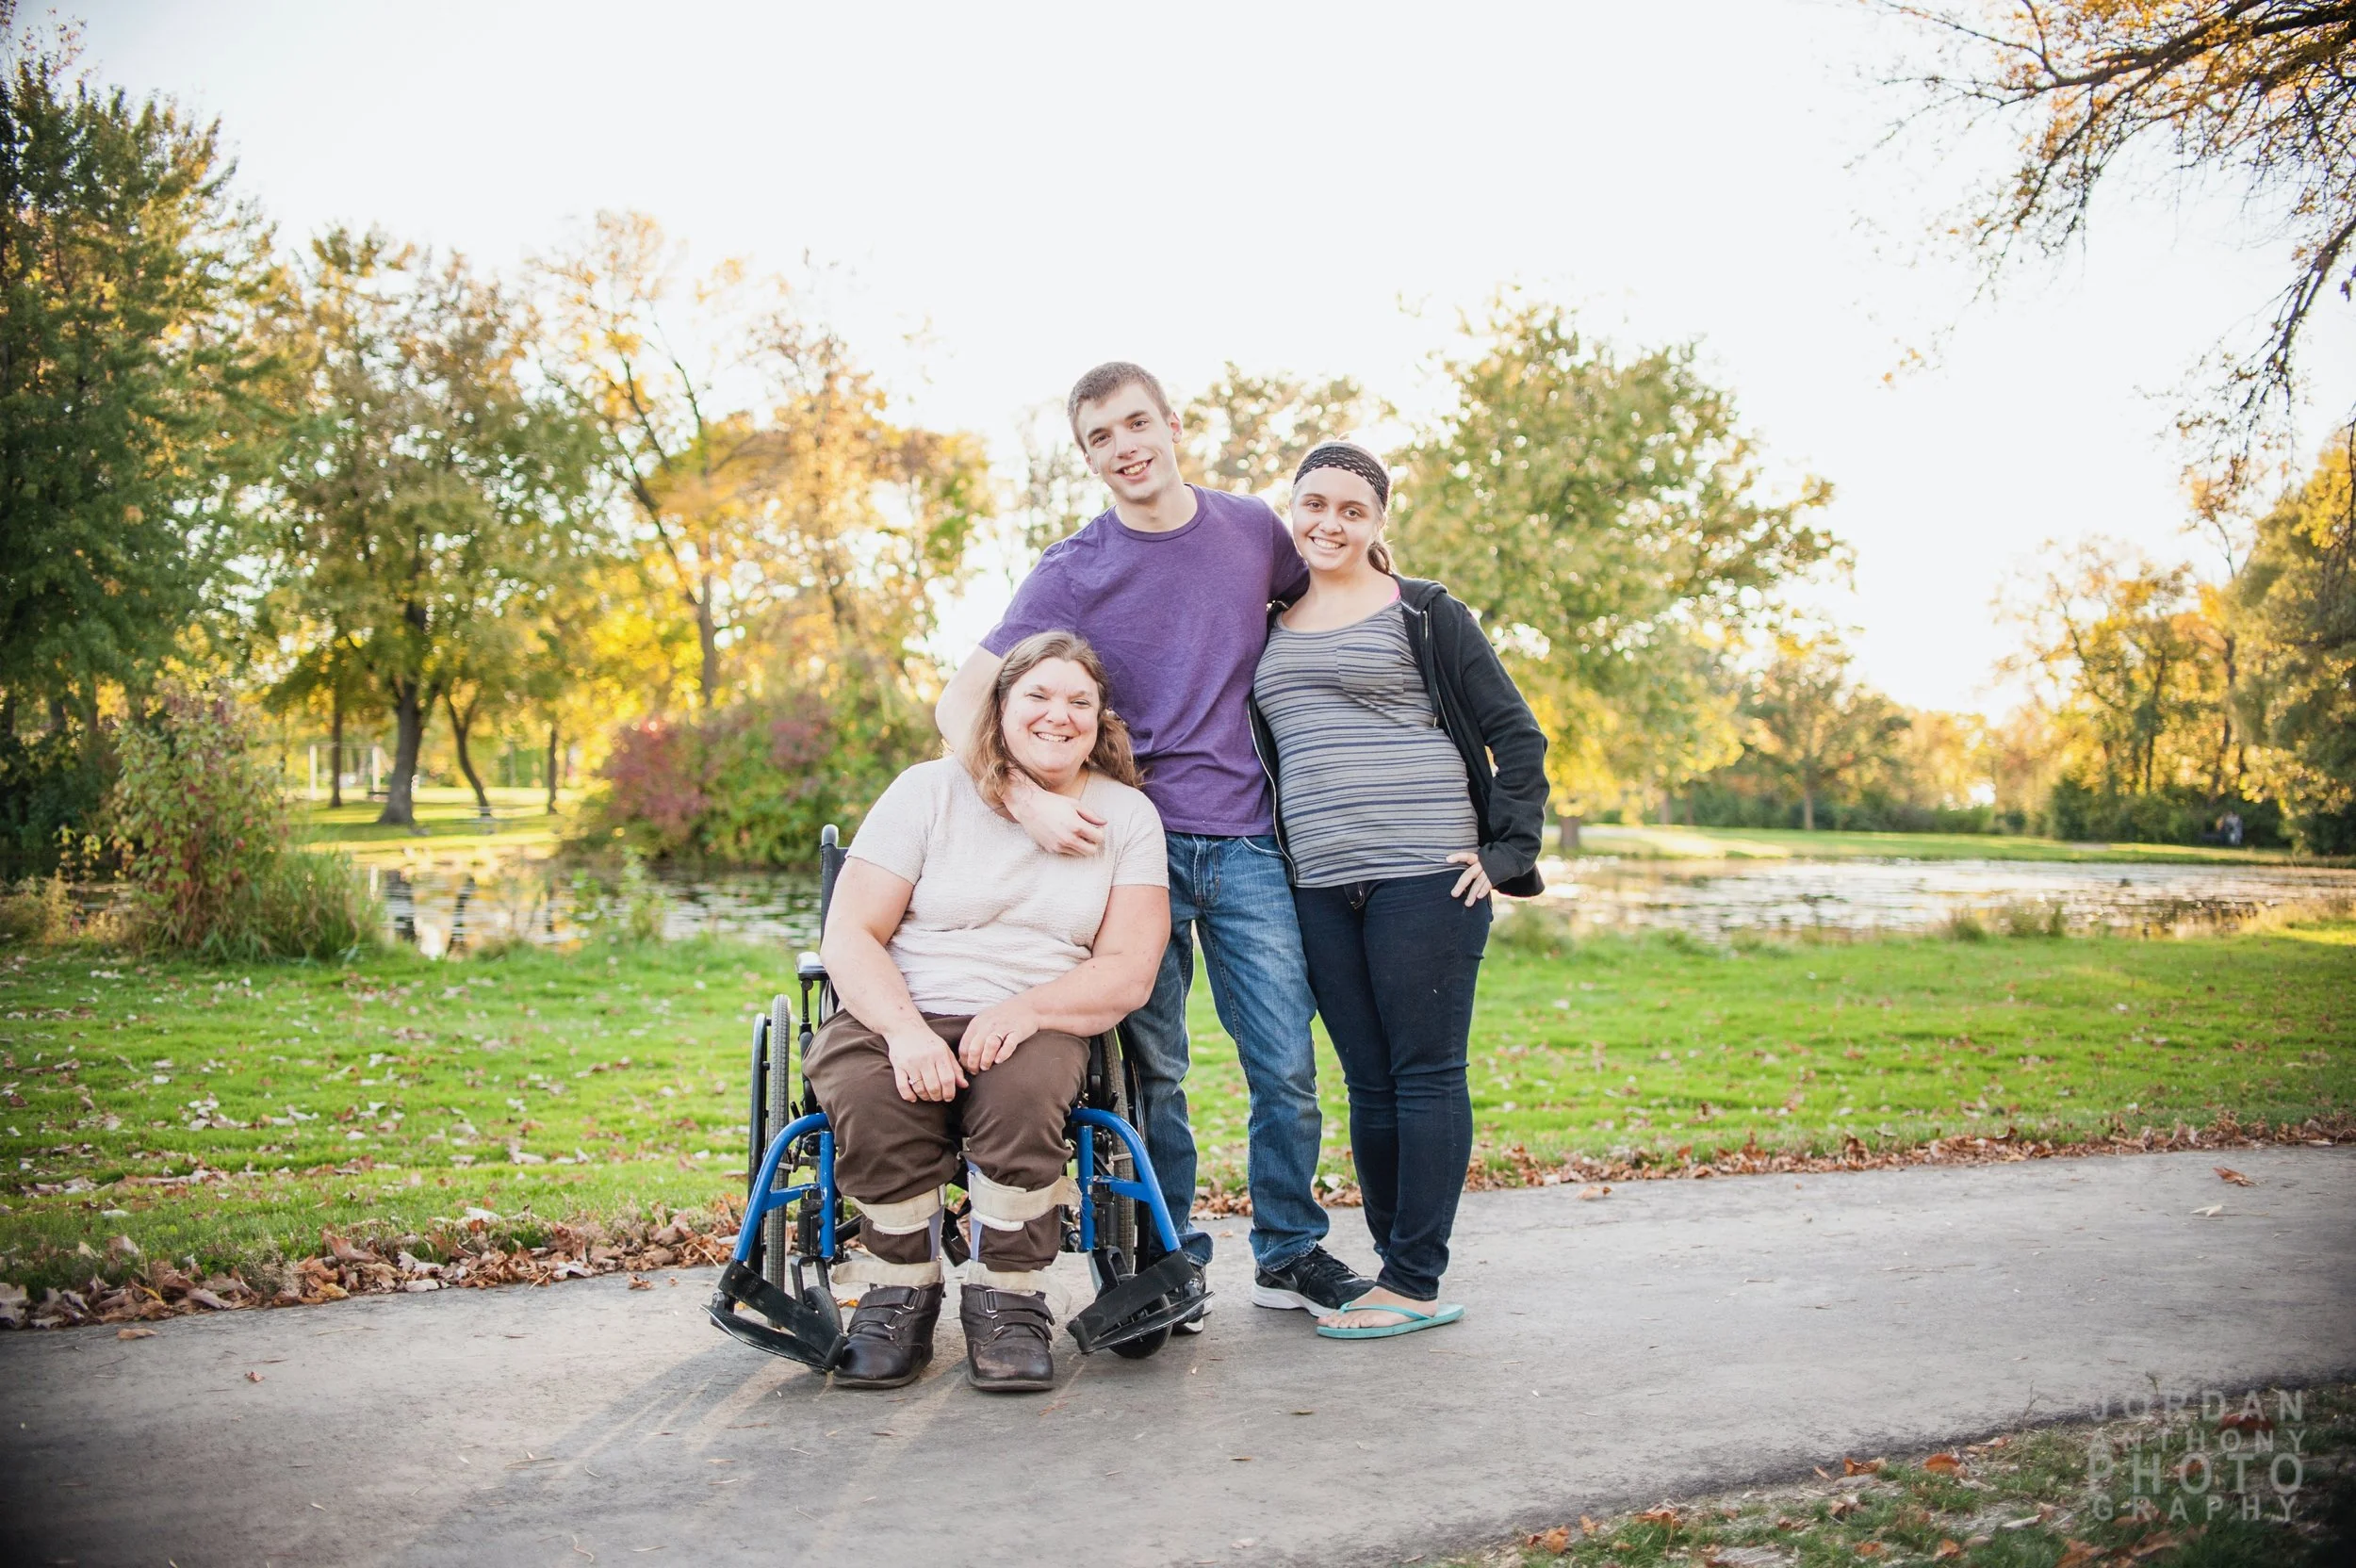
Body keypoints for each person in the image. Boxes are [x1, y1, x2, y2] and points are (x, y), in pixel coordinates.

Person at [935, 362, 1374, 1324]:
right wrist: (1020, 795)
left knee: (1285, 1063)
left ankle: (1291, 1248)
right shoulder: (1072, 569)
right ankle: (1160, 1260)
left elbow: (1335, 599)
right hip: (1129, 850)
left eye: (1137, 423)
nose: (1126, 445)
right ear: (1087, 455)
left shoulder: (1253, 532)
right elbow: (959, 701)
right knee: (1151, 1070)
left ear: (1171, 424)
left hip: (1252, 839)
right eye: (1101, 436)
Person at [1248, 440, 1548, 1340]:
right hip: (1318, 881)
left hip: (1430, 874)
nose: (1328, 523)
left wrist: (1505, 853)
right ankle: (1394, 1268)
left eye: (1351, 509)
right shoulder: (1263, 617)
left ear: (1378, 521)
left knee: (1424, 1076)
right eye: (1313, 505)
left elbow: (1516, 736)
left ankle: (1416, 1277)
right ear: (1290, 509)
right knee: (1367, 1082)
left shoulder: (1423, 611)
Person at [814, 630, 1170, 1392]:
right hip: (902, 1001)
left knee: (1022, 1095)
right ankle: (899, 1289)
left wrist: (1029, 1009)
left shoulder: (1128, 817)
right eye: (1037, 695)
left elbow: (1129, 969)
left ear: (1100, 719)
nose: (1058, 715)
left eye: (1079, 701)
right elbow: (851, 933)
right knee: (872, 1090)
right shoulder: (925, 791)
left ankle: (1008, 1300)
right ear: (1000, 707)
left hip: (1040, 1014)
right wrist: (906, 1031)